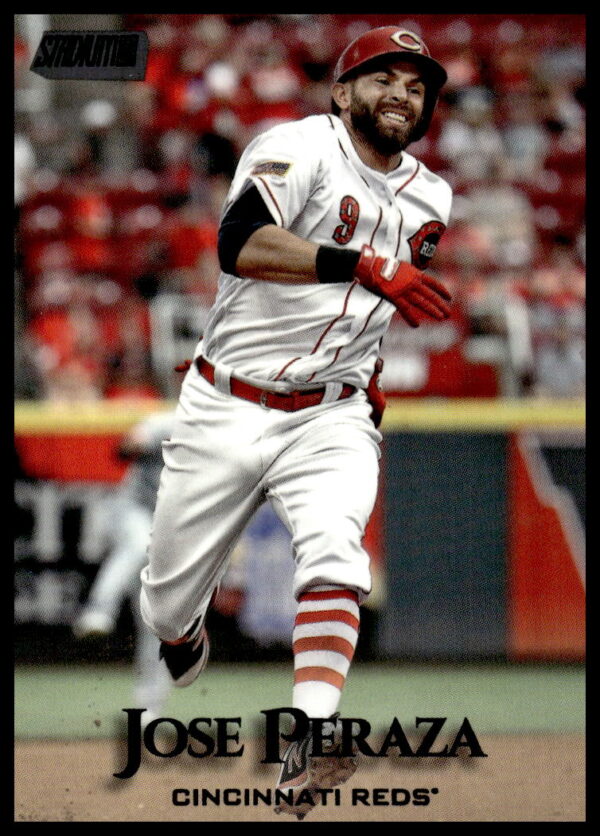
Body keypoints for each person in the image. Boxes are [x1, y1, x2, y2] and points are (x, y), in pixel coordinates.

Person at [140, 26, 452, 819]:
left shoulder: (433, 197)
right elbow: (238, 243)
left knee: (337, 555)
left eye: (417, 86)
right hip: (227, 403)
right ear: (343, 93)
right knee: (165, 607)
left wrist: (369, 371)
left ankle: (308, 740)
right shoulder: (298, 146)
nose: (401, 95)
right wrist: (364, 266)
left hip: (333, 411)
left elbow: (367, 312)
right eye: (383, 77)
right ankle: (184, 636)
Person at [73, 410, 178, 724]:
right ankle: (98, 609)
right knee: (136, 544)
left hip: (168, 529)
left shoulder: (222, 441)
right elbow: (125, 448)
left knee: (157, 619)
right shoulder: (168, 422)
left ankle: (150, 707)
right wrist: (141, 443)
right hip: (131, 511)